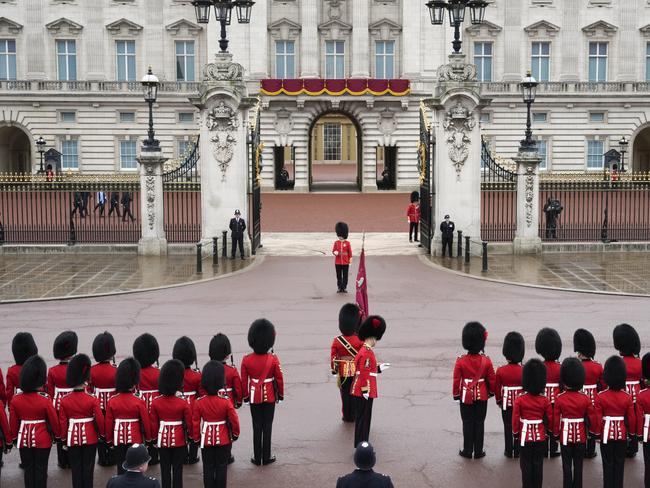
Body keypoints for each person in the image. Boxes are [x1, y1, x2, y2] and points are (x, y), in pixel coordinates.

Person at [9, 355, 60, 488]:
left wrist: (14, 438)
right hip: (42, 440)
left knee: (28, 471)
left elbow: (13, 424)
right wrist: (57, 435)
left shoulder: (16, 399)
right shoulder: (45, 399)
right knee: (41, 470)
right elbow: (54, 421)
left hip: (24, 440)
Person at [241, 319, 284, 466]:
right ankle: (266, 456)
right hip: (270, 395)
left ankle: (257, 456)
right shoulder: (273, 359)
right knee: (268, 425)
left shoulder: (246, 360)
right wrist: (281, 395)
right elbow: (279, 379)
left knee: (256, 425)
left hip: (254, 396)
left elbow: (244, 381)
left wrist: (246, 397)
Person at [59, 353, 105, 488]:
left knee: (76, 469)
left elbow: (63, 422)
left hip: (72, 438)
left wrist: (63, 439)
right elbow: (100, 420)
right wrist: (102, 434)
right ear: (85, 378)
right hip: (90, 438)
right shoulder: (92, 399)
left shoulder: (65, 400)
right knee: (88, 469)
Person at [193, 361, 240, 488]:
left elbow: (195, 422)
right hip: (223, 440)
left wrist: (197, 438)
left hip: (206, 440)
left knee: (207, 468)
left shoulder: (199, 402)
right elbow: (234, 419)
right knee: (221, 468)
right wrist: (235, 434)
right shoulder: (225, 401)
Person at [553, 357, 598, 488]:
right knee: (578, 466)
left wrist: (556, 435)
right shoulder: (585, 398)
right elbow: (592, 418)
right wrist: (591, 433)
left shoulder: (559, 398)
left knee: (566, 466)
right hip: (581, 437)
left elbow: (556, 420)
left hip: (565, 436)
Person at [453, 321, 495, 459]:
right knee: (479, 423)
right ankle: (478, 450)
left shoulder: (460, 361)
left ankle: (467, 449)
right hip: (482, 396)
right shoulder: (486, 361)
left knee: (467, 422)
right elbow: (492, 379)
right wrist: (491, 392)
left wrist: (456, 394)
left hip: (466, 396)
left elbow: (456, 379)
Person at [106, 358, 153, 475]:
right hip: (135, 439)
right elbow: (146, 423)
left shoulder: (112, 401)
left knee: (121, 468)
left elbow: (109, 424)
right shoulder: (139, 401)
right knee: (137, 469)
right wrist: (148, 439)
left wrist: (109, 440)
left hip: (118, 439)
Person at [595, 356, 636, 488]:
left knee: (607, 465)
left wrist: (596, 434)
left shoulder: (601, 396)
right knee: (619, 465)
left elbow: (597, 418)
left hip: (606, 435)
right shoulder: (627, 397)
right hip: (622, 435)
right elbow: (631, 419)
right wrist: (632, 434)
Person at [151, 360, 193, 488]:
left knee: (165, 471)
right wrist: (190, 437)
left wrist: (154, 439)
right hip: (179, 441)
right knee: (177, 471)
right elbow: (190, 423)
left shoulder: (156, 402)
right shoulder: (183, 402)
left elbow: (154, 424)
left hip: (162, 441)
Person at [513, 359, 553, 488]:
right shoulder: (545, 400)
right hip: (540, 437)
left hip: (524, 437)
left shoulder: (520, 399)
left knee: (525, 466)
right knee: (538, 464)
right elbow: (550, 418)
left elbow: (515, 419)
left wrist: (515, 433)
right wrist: (549, 432)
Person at [351, 316, 389, 448]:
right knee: (364, 420)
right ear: (372, 338)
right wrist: (365, 390)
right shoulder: (367, 352)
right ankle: (362, 445)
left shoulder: (365, 350)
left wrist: (379, 368)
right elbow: (364, 373)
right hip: (364, 391)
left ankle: (359, 444)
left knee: (362, 419)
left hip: (362, 389)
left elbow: (368, 370)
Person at [208, 334, 242, 465]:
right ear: (227, 355)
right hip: (227, 404)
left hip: (210, 405)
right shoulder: (231, 371)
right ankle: (226, 454)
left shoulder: (207, 370)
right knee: (227, 429)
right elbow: (238, 390)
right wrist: (238, 402)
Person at [48, 330, 78, 469]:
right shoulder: (75, 367)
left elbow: (50, 391)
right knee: (72, 428)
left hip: (58, 403)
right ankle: (72, 459)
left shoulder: (53, 370)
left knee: (61, 430)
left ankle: (62, 460)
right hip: (73, 400)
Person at [613, 323, 642, 458]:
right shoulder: (639, 362)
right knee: (635, 420)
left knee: (624, 420)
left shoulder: (619, 362)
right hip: (637, 395)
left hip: (622, 396)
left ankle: (624, 445)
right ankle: (633, 446)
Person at [331, 303, 364, 423]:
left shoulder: (337, 341)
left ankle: (346, 415)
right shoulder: (360, 340)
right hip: (356, 370)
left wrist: (334, 370)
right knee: (355, 392)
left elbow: (333, 358)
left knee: (344, 394)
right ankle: (354, 414)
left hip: (343, 371)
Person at [172, 336, 202, 465]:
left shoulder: (174, 374)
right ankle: (193, 456)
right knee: (194, 428)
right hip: (194, 405)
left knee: (182, 428)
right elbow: (201, 394)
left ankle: (183, 455)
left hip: (178, 404)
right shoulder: (197, 375)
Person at [573, 328, 603, 459]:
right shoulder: (597, 366)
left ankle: (580, 449)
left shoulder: (576, 365)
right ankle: (590, 451)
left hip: (579, 396)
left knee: (581, 423)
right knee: (592, 423)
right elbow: (602, 385)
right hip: (593, 396)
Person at [89, 331, 118, 467]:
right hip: (113, 403)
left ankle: (102, 457)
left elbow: (88, 389)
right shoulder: (116, 370)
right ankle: (112, 456)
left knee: (99, 431)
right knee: (111, 429)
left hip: (97, 403)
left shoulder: (91, 370)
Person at [495, 331, 525, 458]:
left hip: (506, 403)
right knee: (519, 424)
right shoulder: (524, 370)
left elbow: (497, 389)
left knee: (507, 426)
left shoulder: (501, 370)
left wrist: (499, 401)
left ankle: (508, 450)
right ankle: (518, 450)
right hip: (521, 403)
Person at [133, 333, 161, 466]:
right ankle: (154, 456)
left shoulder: (134, 372)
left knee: (140, 429)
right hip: (155, 405)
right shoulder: (158, 373)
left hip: (139, 404)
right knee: (155, 429)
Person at [535, 327, 562, 458]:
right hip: (556, 399)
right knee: (554, 423)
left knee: (544, 423)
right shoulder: (560, 367)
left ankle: (544, 448)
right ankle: (553, 448)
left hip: (542, 399)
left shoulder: (540, 366)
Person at [7, 332, 38, 407]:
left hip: (18, 405)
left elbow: (9, 392)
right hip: (37, 402)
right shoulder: (37, 367)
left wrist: (10, 407)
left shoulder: (12, 371)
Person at [636, 352, 650, 488]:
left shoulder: (642, 395)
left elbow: (639, 418)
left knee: (648, 463)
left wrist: (639, 436)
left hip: (648, 432)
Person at [332, 222, 352, 293]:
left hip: (346, 262)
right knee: (339, 276)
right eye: (339, 235)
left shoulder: (347, 243)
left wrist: (350, 261)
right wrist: (335, 253)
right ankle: (339, 287)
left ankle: (344, 287)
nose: (339, 236)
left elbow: (350, 253)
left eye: (341, 235)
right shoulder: (336, 243)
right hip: (338, 263)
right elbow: (334, 250)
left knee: (345, 276)